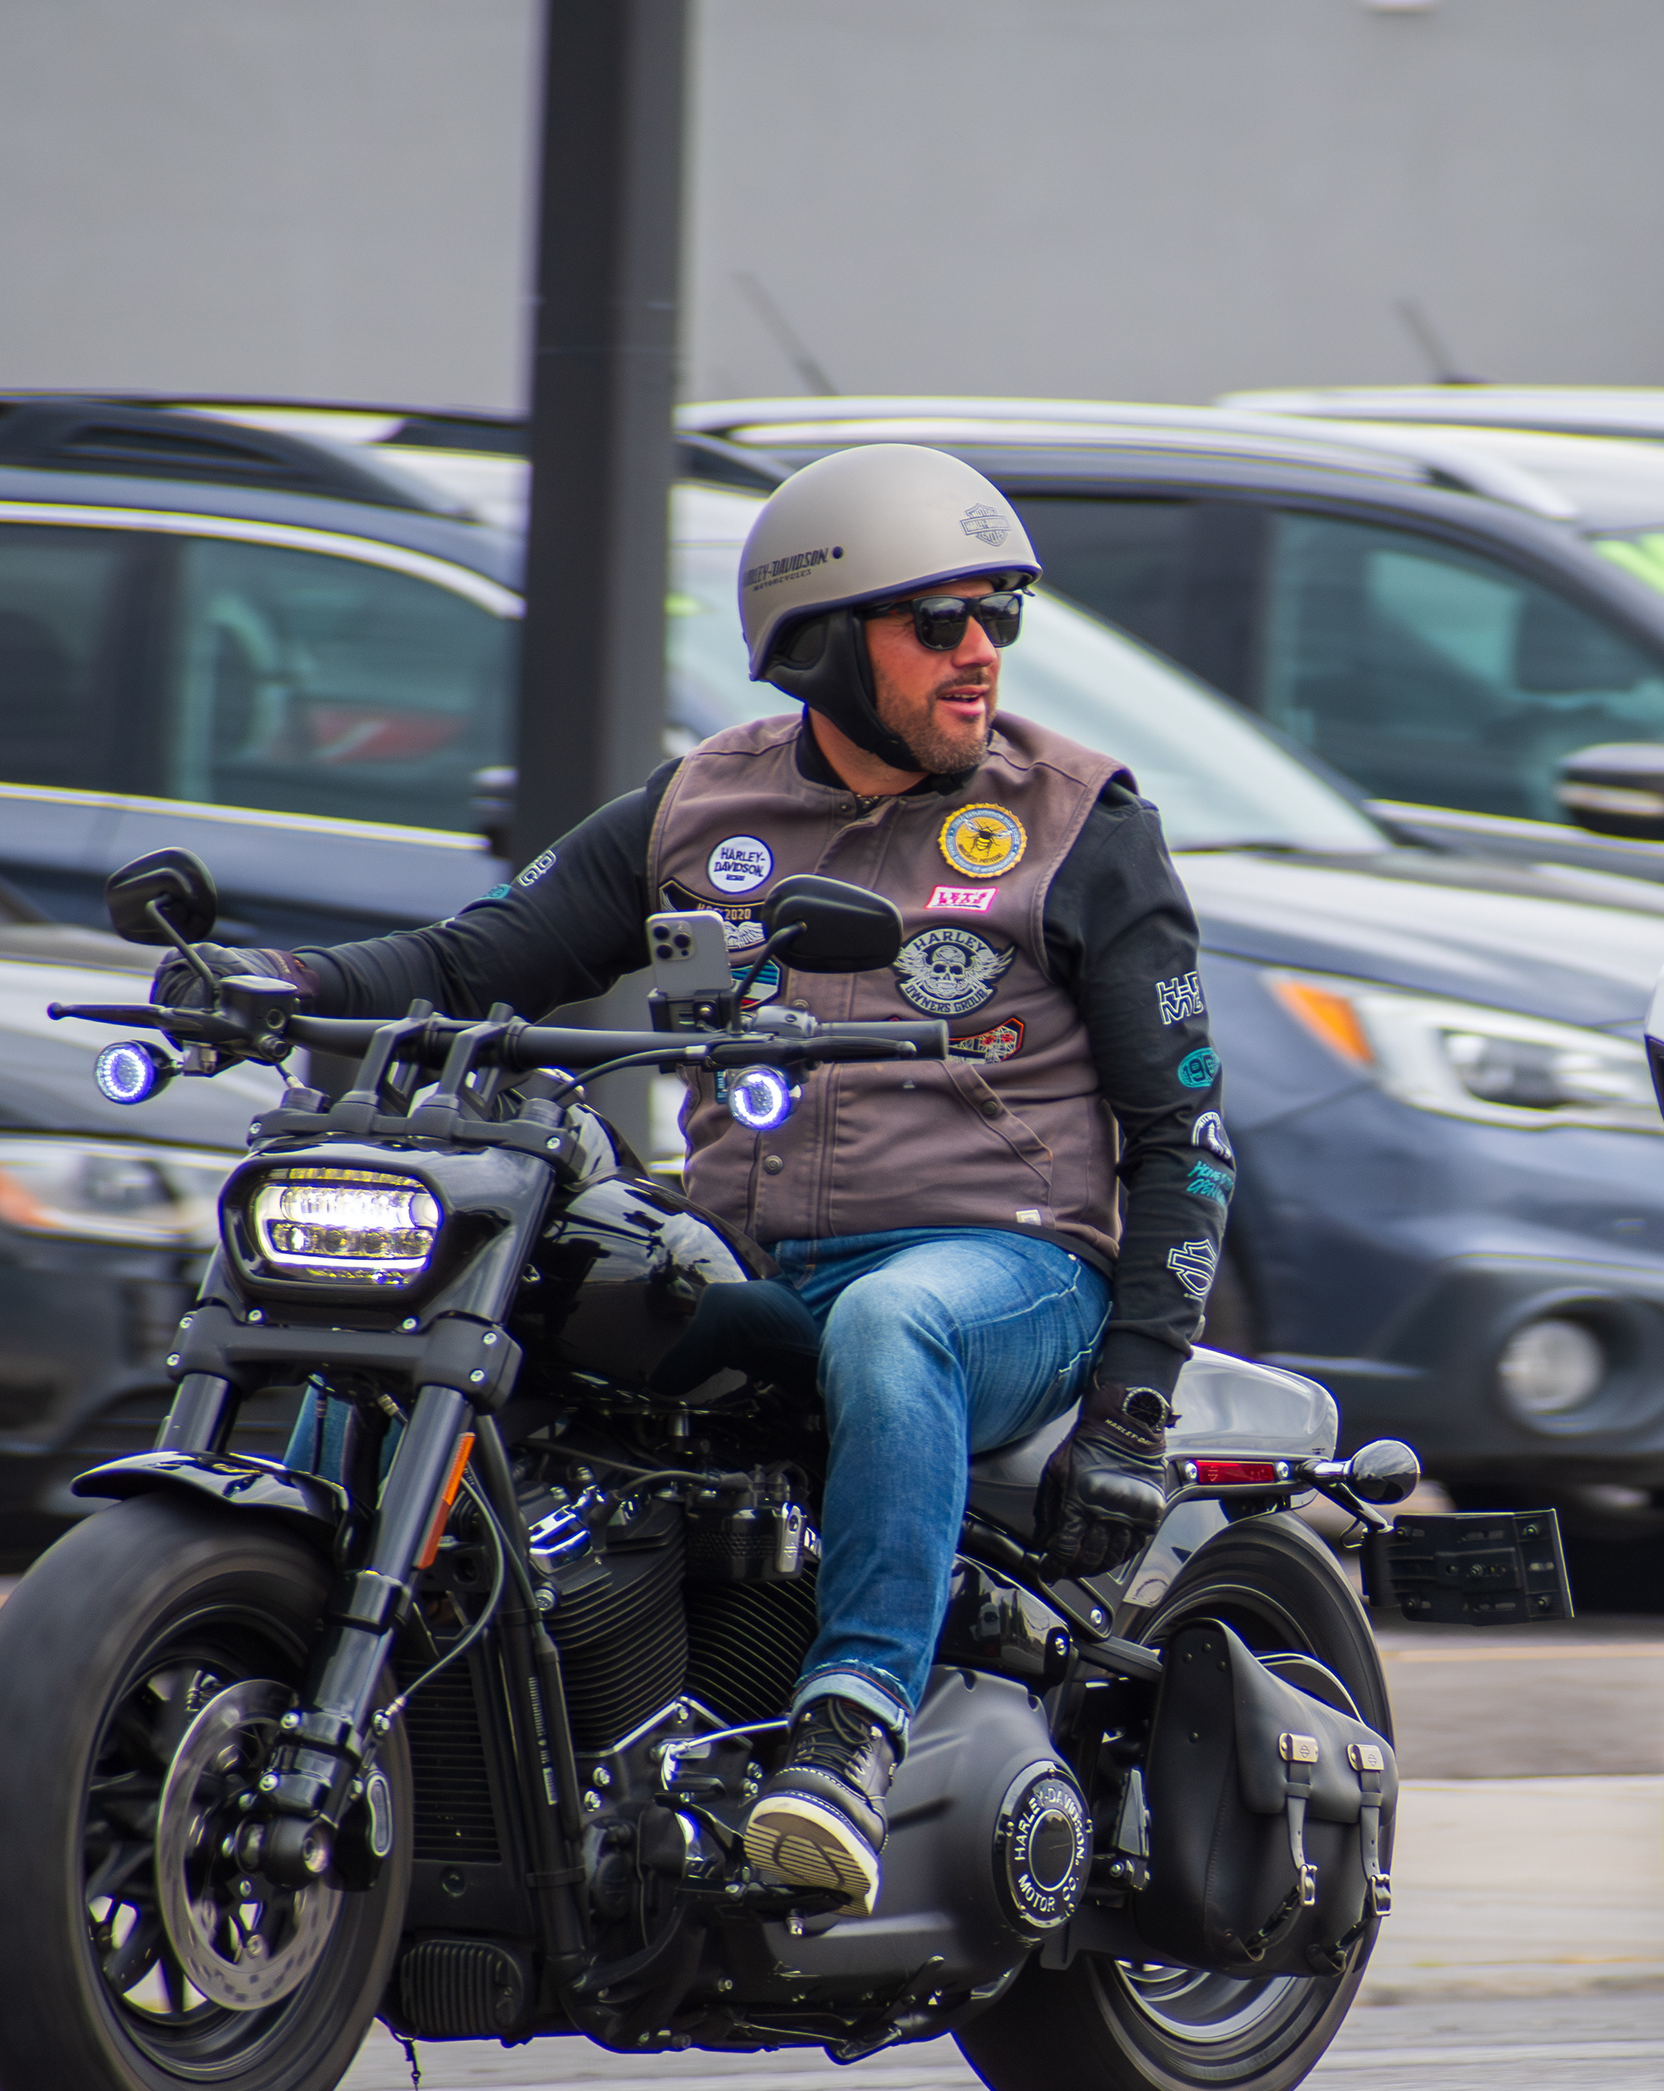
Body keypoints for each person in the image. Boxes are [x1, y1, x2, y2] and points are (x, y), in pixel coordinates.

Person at [160, 442, 1231, 1912]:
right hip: (760, 1270)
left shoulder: (1077, 821)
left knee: (893, 1325)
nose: (981, 653)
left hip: (1010, 1271)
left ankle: (850, 1733)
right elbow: (478, 961)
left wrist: (1133, 1407)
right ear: (823, 646)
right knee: (531, 1297)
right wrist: (279, 979)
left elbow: (1184, 1134)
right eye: (941, 622)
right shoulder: (694, 811)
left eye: (1001, 616)